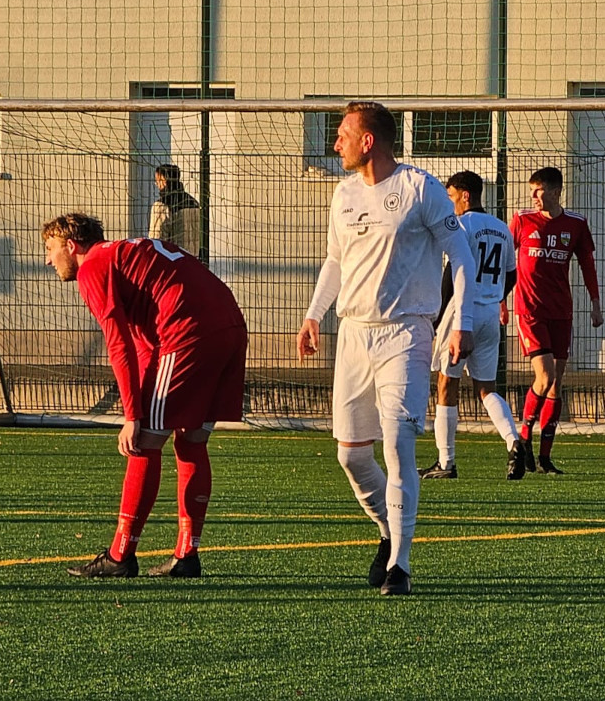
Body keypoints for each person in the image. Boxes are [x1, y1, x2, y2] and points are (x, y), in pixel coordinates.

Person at [297, 101, 476, 597]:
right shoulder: (344, 193)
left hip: (406, 333)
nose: (336, 144)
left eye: (343, 135)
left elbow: (459, 255)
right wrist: (314, 314)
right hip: (353, 334)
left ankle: (400, 563)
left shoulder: (420, 188)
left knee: (398, 447)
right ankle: (386, 529)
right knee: (351, 456)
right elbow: (335, 260)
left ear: (368, 141)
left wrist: (458, 320)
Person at [43, 212, 248, 579]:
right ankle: (187, 554)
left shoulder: (93, 268)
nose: (47, 259)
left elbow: (118, 343)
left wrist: (132, 416)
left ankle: (121, 555)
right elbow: (142, 345)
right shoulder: (127, 253)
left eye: (50, 248)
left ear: (72, 247)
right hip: (229, 327)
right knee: (192, 440)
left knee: (144, 441)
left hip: (188, 333)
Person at [417, 170, 527, 482]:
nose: (450, 204)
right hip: (490, 314)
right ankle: (513, 442)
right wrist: (493, 299)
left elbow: (453, 274)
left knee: (446, 383)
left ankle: (446, 462)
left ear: (465, 195)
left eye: (451, 197)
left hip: (460, 315)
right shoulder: (502, 229)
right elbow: (511, 275)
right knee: (486, 389)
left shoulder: (460, 225)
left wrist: (438, 318)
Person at [509, 167, 603, 475]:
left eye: (539, 191)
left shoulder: (575, 224)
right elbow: (507, 263)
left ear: (555, 192)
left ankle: (545, 458)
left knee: (555, 385)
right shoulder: (521, 221)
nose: (534, 196)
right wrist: (500, 299)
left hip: (561, 312)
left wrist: (595, 303)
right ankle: (522, 440)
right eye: (532, 190)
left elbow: (587, 264)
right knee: (545, 377)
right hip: (530, 311)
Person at [148, 164, 202, 258]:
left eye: (157, 181)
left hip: (172, 260)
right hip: (193, 260)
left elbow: (157, 240)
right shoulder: (194, 203)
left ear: (164, 181)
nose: (156, 185)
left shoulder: (161, 206)